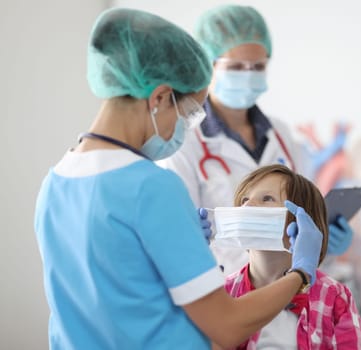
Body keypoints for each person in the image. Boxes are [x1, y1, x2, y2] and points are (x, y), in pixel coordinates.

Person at [34, 8, 325, 349]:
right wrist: (301, 273)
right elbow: (227, 326)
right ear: (158, 98)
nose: (184, 129)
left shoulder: (54, 183)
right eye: (187, 114)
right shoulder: (150, 187)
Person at [161, 4, 353, 276]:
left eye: (258, 66)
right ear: (208, 65)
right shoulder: (183, 141)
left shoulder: (281, 135)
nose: (249, 74)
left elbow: (301, 222)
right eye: (237, 66)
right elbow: (177, 239)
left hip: (287, 291)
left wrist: (323, 241)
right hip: (222, 292)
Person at [214, 164, 361, 349]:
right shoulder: (223, 293)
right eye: (244, 199)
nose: (247, 205)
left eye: (267, 198)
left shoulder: (334, 297)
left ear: (301, 223)